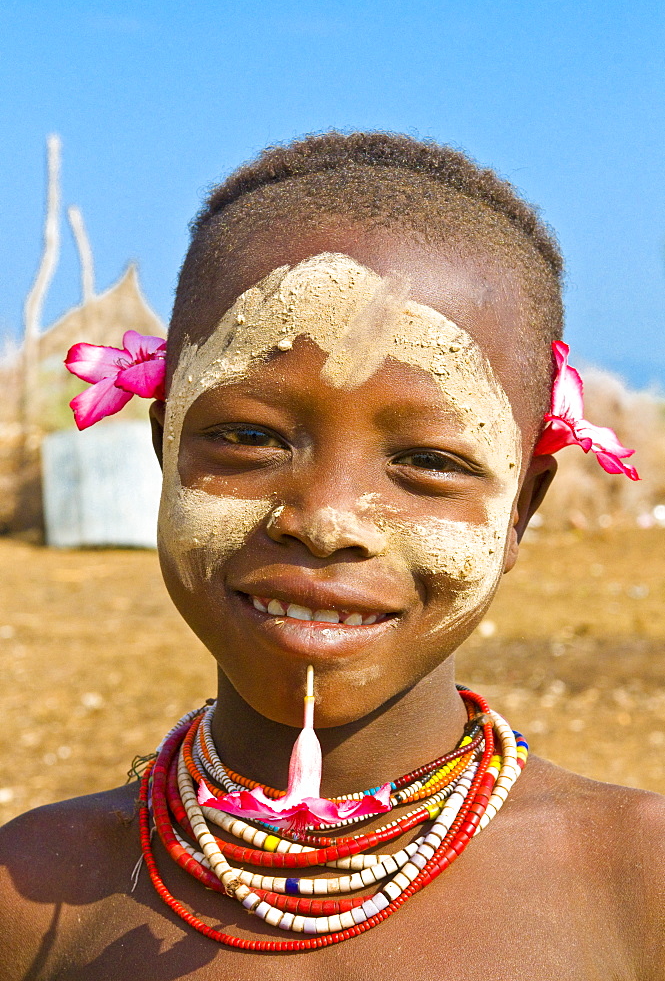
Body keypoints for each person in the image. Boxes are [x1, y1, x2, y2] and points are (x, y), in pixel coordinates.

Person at [0, 131, 662, 980]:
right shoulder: (33, 896)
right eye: (247, 438)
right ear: (166, 451)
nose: (323, 521)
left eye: (427, 462)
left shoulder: (636, 889)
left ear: (519, 511)